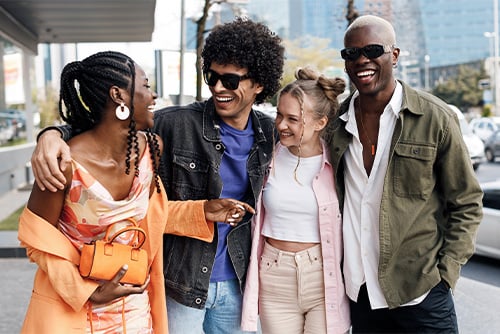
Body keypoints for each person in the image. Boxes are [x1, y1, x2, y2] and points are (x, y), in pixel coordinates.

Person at [30, 18, 285, 334]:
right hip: (180, 283)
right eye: (212, 77)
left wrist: (203, 210)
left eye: (230, 81)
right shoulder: (173, 124)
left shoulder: (270, 133)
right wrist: (53, 134)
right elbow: (104, 126)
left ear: (258, 83)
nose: (218, 87)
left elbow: (152, 210)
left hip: (237, 281)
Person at [330, 15, 483, 333]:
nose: (362, 60)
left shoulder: (435, 118)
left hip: (421, 293)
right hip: (360, 294)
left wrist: (446, 273)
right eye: (351, 54)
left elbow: (466, 202)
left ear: (394, 55)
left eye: (372, 50)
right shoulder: (335, 123)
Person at [240, 68, 351, 334]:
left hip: (323, 276)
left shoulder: (338, 162)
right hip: (274, 275)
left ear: (320, 123)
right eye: (279, 115)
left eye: (293, 119)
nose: (281, 125)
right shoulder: (266, 157)